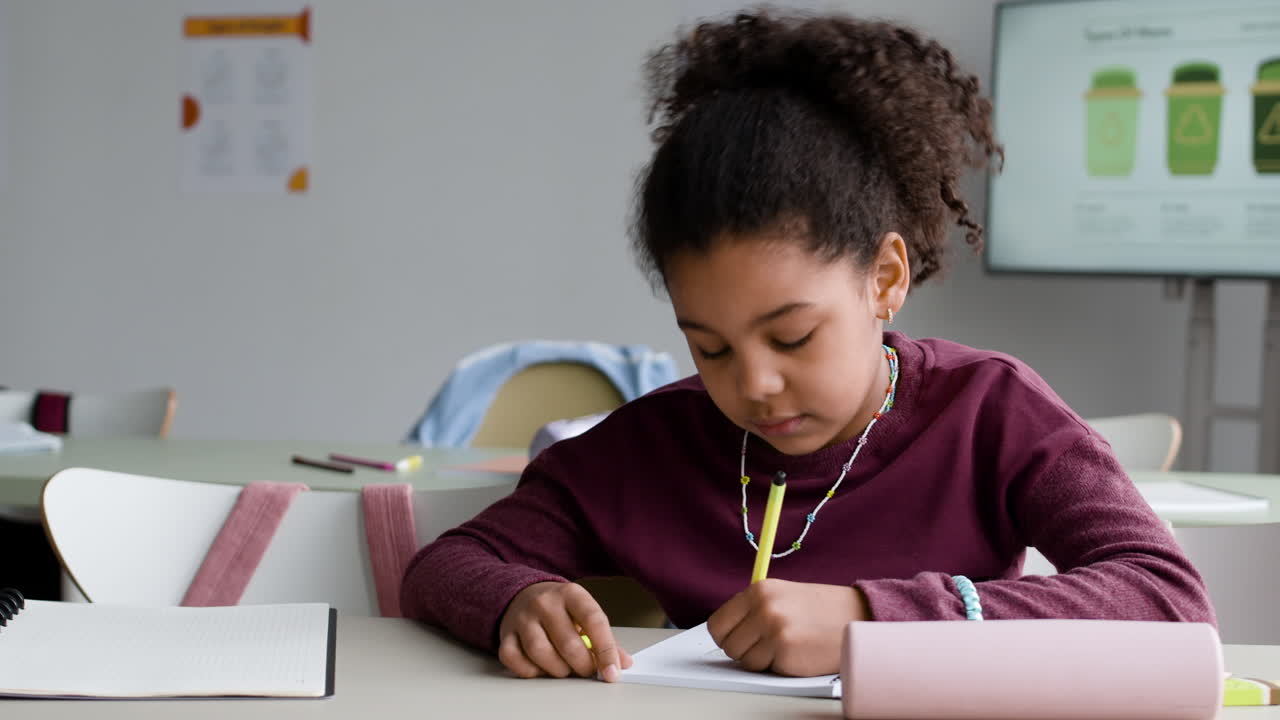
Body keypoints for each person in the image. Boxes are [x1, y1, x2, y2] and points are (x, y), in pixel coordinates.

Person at [401, 9, 1215, 683]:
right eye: (709, 348)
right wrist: (518, 601)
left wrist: (875, 618)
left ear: (885, 278)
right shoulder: (649, 450)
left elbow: (1166, 598)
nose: (754, 384)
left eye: (792, 336)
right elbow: (450, 563)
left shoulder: (988, 412)